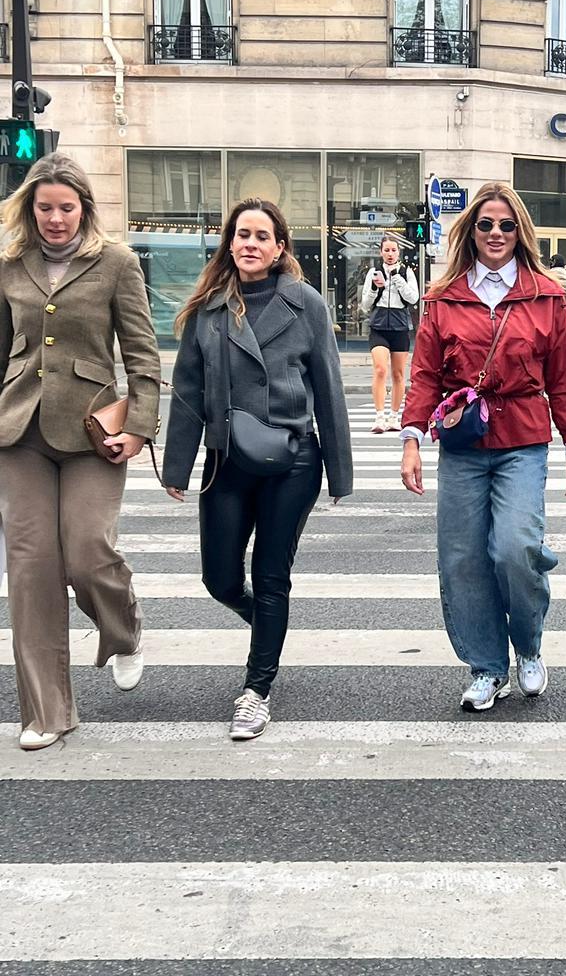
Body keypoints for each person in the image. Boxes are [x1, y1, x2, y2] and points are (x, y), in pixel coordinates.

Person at [162, 198, 353, 740]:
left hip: (291, 459)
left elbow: (329, 388)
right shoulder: (209, 309)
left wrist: (339, 472)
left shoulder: (306, 304)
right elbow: (188, 390)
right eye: (242, 234)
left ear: (279, 247)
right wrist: (177, 466)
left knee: (271, 576)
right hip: (227, 459)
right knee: (220, 579)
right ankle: (267, 624)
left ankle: (257, 689)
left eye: (261, 236)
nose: (250, 243)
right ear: (230, 244)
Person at [400, 182, 566, 712]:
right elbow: (424, 375)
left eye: (506, 224)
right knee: (462, 558)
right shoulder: (443, 297)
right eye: (486, 224)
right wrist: (412, 438)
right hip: (463, 442)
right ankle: (486, 666)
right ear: (472, 231)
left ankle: (527, 645)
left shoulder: (545, 296)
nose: (496, 233)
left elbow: (565, 377)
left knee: (515, 548)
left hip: (523, 438)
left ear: (520, 231)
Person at [0, 153, 161, 751]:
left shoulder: (116, 262)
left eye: (66, 207)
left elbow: (142, 354)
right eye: (45, 207)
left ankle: (123, 627)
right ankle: (46, 713)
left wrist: (139, 427)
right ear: (30, 209)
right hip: (19, 432)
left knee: (89, 552)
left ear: (83, 208)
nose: (55, 218)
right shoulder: (9, 264)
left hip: (94, 433)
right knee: (31, 570)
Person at [360, 235, 419, 433]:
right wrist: (374, 288)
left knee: (398, 374)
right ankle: (379, 417)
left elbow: (413, 298)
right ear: (381, 252)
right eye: (386, 250)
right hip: (378, 326)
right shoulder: (373, 272)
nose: (390, 254)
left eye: (394, 250)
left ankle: (394, 417)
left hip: (400, 326)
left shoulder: (406, 272)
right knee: (380, 369)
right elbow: (365, 305)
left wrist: (398, 279)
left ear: (399, 252)